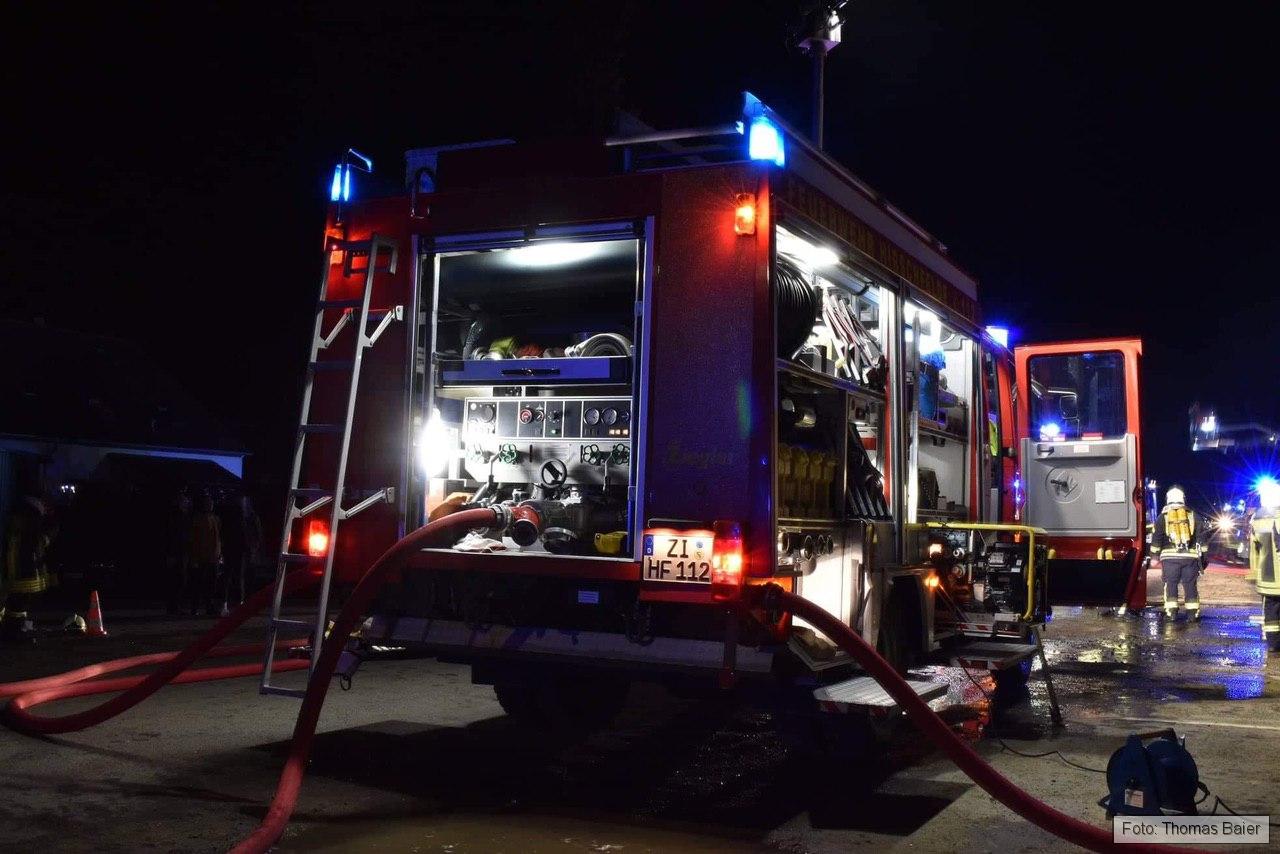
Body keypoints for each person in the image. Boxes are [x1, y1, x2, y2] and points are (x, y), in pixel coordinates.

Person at [1150, 485, 1207, 621]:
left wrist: (1154, 557)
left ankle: (1171, 613)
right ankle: (1192, 614)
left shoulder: (1162, 517)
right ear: (1183, 499)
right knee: (1190, 585)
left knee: (1170, 584)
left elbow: (1156, 539)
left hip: (1169, 559)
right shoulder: (1194, 516)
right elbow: (1202, 541)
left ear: (1167, 499)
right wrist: (1203, 560)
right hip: (1190, 558)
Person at [1, 493, 53, 643]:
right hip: (23, 579)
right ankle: (12, 633)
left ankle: (13, 631)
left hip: (19, 579)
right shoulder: (26, 534)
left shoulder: (15, 534)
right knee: (17, 607)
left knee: (17, 607)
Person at [218, 492, 262, 614]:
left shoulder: (249, 517)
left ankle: (238, 603)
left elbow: (257, 535)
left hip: (242, 550)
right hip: (236, 549)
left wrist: (254, 549)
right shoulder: (239, 517)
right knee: (234, 577)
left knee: (240, 577)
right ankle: (232, 604)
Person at [1250, 488, 1280, 653]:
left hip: (1268, 578)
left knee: (1271, 610)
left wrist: (1255, 573)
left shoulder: (1257, 520)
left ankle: (1274, 644)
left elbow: (1254, 550)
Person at [186, 492, 222, 616]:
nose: (210, 505)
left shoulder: (215, 519)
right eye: (207, 503)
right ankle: (195, 606)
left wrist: (219, 553)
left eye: (211, 503)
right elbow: (194, 539)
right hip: (202, 556)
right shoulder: (198, 519)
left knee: (211, 583)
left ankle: (208, 606)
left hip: (213, 556)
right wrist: (194, 556)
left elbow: (218, 537)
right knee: (199, 582)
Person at [165, 490, 192, 615]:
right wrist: (170, 553)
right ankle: (173, 606)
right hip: (177, 551)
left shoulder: (185, 516)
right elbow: (171, 535)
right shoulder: (176, 516)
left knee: (180, 579)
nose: (186, 502)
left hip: (183, 551)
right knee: (177, 579)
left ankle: (175, 605)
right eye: (184, 501)